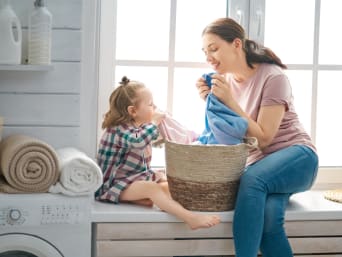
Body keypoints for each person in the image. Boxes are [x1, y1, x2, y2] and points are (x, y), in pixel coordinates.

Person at [196, 18, 318, 256]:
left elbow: (264, 138)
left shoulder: (274, 78)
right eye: (205, 52)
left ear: (237, 44)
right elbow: (230, 131)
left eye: (214, 48)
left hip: (297, 158)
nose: (208, 57)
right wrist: (211, 102)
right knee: (270, 221)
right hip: (262, 167)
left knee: (251, 181)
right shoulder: (226, 82)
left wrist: (229, 101)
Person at [95, 76, 221, 230]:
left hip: (133, 179)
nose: (154, 107)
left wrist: (170, 129)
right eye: (150, 104)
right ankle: (191, 219)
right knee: (151, 188)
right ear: (133, 111)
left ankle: (144, 199)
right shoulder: (119, 130)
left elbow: (149, 139)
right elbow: (138, 140)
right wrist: (154, 122)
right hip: (113, 185)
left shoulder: (139, 128)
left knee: (170, 187)